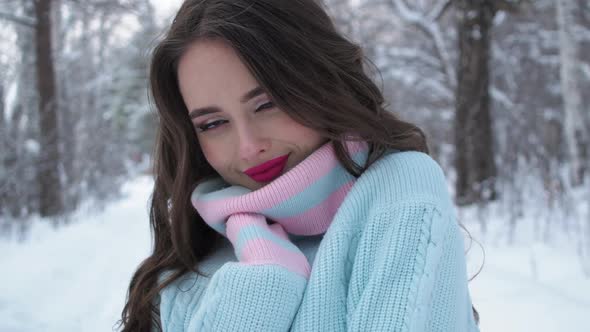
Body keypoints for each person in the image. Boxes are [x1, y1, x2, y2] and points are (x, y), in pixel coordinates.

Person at [119, 0, 481, 331]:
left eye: (268, 104)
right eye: (213, 124)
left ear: (318, 82)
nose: (249, 147)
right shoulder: (183, 268)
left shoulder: (401, 192)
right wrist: (264, 285)